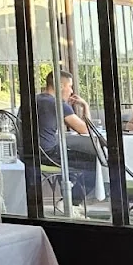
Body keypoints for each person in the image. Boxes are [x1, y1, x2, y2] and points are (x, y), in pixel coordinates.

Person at [34, 70, 100, 206]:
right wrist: (85, 106)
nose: (71, 91)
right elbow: (86, 130)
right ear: (60, 85)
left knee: (67, 155)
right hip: (48, 155)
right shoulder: (57, 104)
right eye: (70, 86)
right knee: (98, 161)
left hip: (27, 154)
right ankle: (71, 202)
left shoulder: (33, 100)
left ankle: (69, 197)